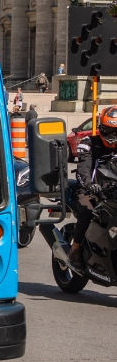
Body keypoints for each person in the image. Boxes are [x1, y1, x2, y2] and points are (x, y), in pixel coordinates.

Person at [69, 106, 117, 263]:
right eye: (108, 130)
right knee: (87, 210)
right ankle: (75, 247)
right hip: (88, 191)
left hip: (112, 192)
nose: (112, 136)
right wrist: (90, 185)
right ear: (101, 128)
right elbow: (83, 170)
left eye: (116, 132)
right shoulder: (88, 143)